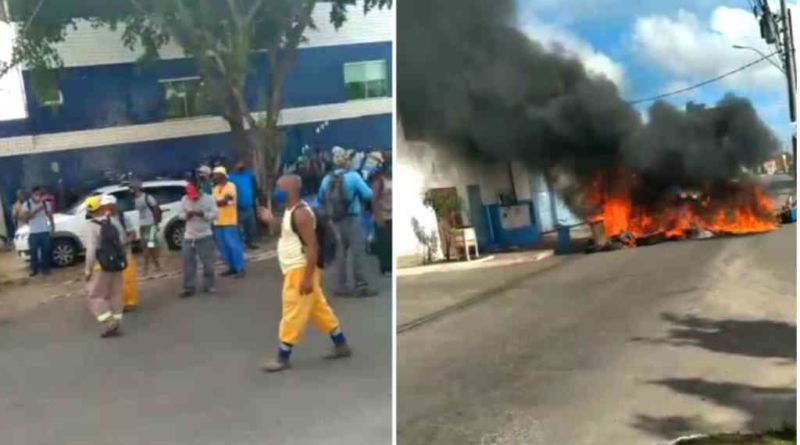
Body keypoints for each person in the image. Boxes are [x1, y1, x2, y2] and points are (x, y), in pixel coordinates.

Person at [257, 174, 352, 372]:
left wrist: (307, 278)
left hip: (299, 271)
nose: (277, 191)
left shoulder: (302, 215)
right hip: (296, 270)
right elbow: (286, 229)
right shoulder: (290, 211)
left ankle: (283, 357)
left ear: (291, 190)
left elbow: (312, 247)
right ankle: (341, 344)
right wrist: (269, 220)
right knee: (319, 309)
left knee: (292, 312)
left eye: (279, 187)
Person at [318, 146, 376, 297]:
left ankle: (340, 286)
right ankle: (361, 285)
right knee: (357, 252)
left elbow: (320, 200)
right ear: (346, 162)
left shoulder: (326, 179)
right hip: (352, 218)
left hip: (335, 221)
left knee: (340, 253)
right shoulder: (353, 177)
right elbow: (368, 194)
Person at [83, 195, 127, 338]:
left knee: (95, 295)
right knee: (115, 294)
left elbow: (91, 250)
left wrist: (88, 269)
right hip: (116, 264)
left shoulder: (91, 226)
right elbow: (122, 240)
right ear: (102, 208)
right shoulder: (112, 221)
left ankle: (108, 323)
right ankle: (117, 323)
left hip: (101, 267)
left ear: (89, 211)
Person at [180, 181, 219, 297]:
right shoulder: (184, 199)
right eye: (190, 196)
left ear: (200, 191)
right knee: (188, 263)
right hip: (189, 236)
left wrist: (203, 214)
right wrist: (187, 216)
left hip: (205, 235)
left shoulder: (209, 199)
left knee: (208, 263)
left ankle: (209, 285)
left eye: (195, 196)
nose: (193, 199)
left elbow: (215, 215)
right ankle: (189, 287)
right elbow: (180, 214)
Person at [212, 166, 245, 277]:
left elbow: (227, 201)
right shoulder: (215, 189)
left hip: (229, 221)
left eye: (217, 175)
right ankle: (231, 267)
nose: (215, 177)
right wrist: (219, 202)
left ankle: (240, 268)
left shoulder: (231, 186)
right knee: (223, 247)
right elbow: (216, 203)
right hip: (218, 221)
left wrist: (218, 202)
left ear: (222, 175)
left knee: (233, 245)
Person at [111, 199, 139, 312]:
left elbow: (133, 233)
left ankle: (129, 302)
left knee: (127, 279)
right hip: (112, 255)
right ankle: (117, 302)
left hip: (125, 253)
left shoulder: (123, 218)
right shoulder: (104, 220)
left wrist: (125, 241)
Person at [20, 186, 55, 277]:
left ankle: (46, 269)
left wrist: (52, 226)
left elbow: (50, 215)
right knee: (33, 253)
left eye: (40, 194)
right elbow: (25, 218)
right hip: (33, 233)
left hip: (44, 231)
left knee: (46, 251)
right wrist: (36, 210)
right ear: (32, 194)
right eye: (36, 194)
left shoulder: (45, 203)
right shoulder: (27, 204)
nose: (38, 196)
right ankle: (34, 270)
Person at [130, 180, 162, 276]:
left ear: (137, 188)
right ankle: (154, 266)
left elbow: (156, 208)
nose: (131, 190)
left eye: (132, 188)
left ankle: (149, 266)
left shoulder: (147, 197)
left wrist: (156, 223)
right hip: (142, 225)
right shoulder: (134, 199)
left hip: (150, 224)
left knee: (150, 246)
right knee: (145, 246)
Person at [228, 158, 260, 250]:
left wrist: (256, 200)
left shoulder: (249, 174)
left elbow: (254, 187)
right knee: (238, 227)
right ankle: (240, 244)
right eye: (238, 163)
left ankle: (251, 242)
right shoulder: (230, 177)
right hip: (237, 207)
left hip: (249, 205)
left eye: (242, 163)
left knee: (250, 226)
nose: (241, 165)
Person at [370, 159, 392, 276]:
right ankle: (386, 268)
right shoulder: (379, 181)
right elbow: (374, 200)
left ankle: (391, 266)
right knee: (384, 243)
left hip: (392, 216)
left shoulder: (392, 180)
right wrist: (378, 218)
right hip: (382, 217)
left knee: (391, 243)